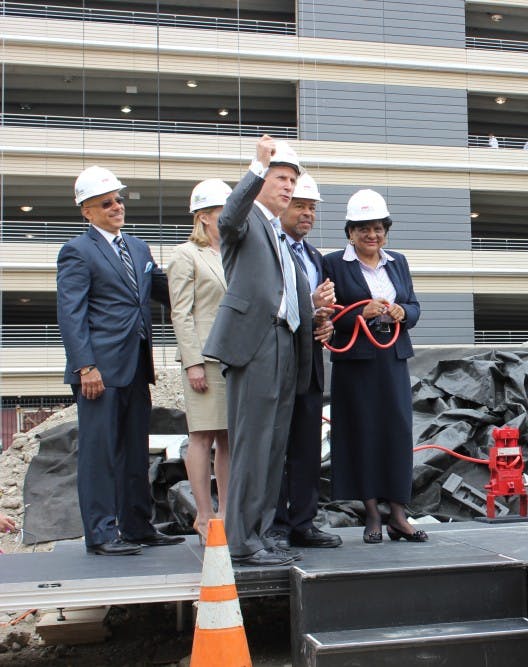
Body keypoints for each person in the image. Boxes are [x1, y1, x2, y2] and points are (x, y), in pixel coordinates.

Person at [203, 136, 335, 567]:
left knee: (273, 446)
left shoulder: (278, 235)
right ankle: (242, 540)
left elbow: (283, 296)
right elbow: (228, 218)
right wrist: (256, 168)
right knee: (252, 444)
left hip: (285, 343)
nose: (288, 186)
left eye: (292, 180)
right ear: (261, 180)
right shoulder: (246, 221)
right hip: (255, 344)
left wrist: (314, 311)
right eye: (281, 178)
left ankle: (260, 534)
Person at [57, 166, 183, 556]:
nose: (116, 207)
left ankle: (137, 526)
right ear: (87, 211)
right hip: (99, 371)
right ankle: (101, 533)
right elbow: (71, 313)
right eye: (106, 203)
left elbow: (166, 290)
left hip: (136, 367)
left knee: (135, 451)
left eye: (118, 200)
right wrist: (85, 366)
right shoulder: (77, 251)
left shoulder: (139, 248)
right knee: (99, 455)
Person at [320, 189, 426, 543]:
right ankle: (371, 514)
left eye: (378, 228)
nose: (372, 235)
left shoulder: (398, 262)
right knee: (361, 432)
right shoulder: (333, 264)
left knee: (397, 431)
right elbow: (328, 315)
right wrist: (360, 313)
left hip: (392, 357)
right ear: (350, 232)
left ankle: (398, 513)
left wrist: (402, 312)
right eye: (363, 228)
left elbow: (414, 307)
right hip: (356, 361)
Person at [269, 172, 341, 550]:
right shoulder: (268, 249)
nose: (308, 214)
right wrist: (310, 306)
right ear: (282, 206)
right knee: (275, 446)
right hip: (277, 360)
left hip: (310, 361)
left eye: (312, 208)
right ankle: (275, 524)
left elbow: (316, 310)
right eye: (300, 206)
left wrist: (325, 322)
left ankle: (303, 522)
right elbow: (270, 303)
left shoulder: (315, 257)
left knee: (306, 447)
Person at [167, 179, 233, 543]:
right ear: (204, 216)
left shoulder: (234, 254)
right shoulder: (186, 255)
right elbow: (181, 312)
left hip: (232, 358)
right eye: (222, 211)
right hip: (204, 358)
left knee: (228, 437)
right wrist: (192, 362)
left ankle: (226, 514)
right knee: (202, 435)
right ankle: (204, 515)